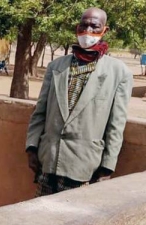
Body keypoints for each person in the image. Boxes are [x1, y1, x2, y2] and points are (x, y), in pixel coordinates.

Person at [25, 7, 132, 197]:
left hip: (84, 167)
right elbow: (40, 111)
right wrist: (32, 147)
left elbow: (116, 125)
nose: (88, 31)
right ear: (77, 28)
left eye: (94, 26)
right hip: (48, 161)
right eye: (84, 25)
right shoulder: (56, 66)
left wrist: (107, 167)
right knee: (41, 220)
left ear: (104, 30)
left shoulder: (118, 72)